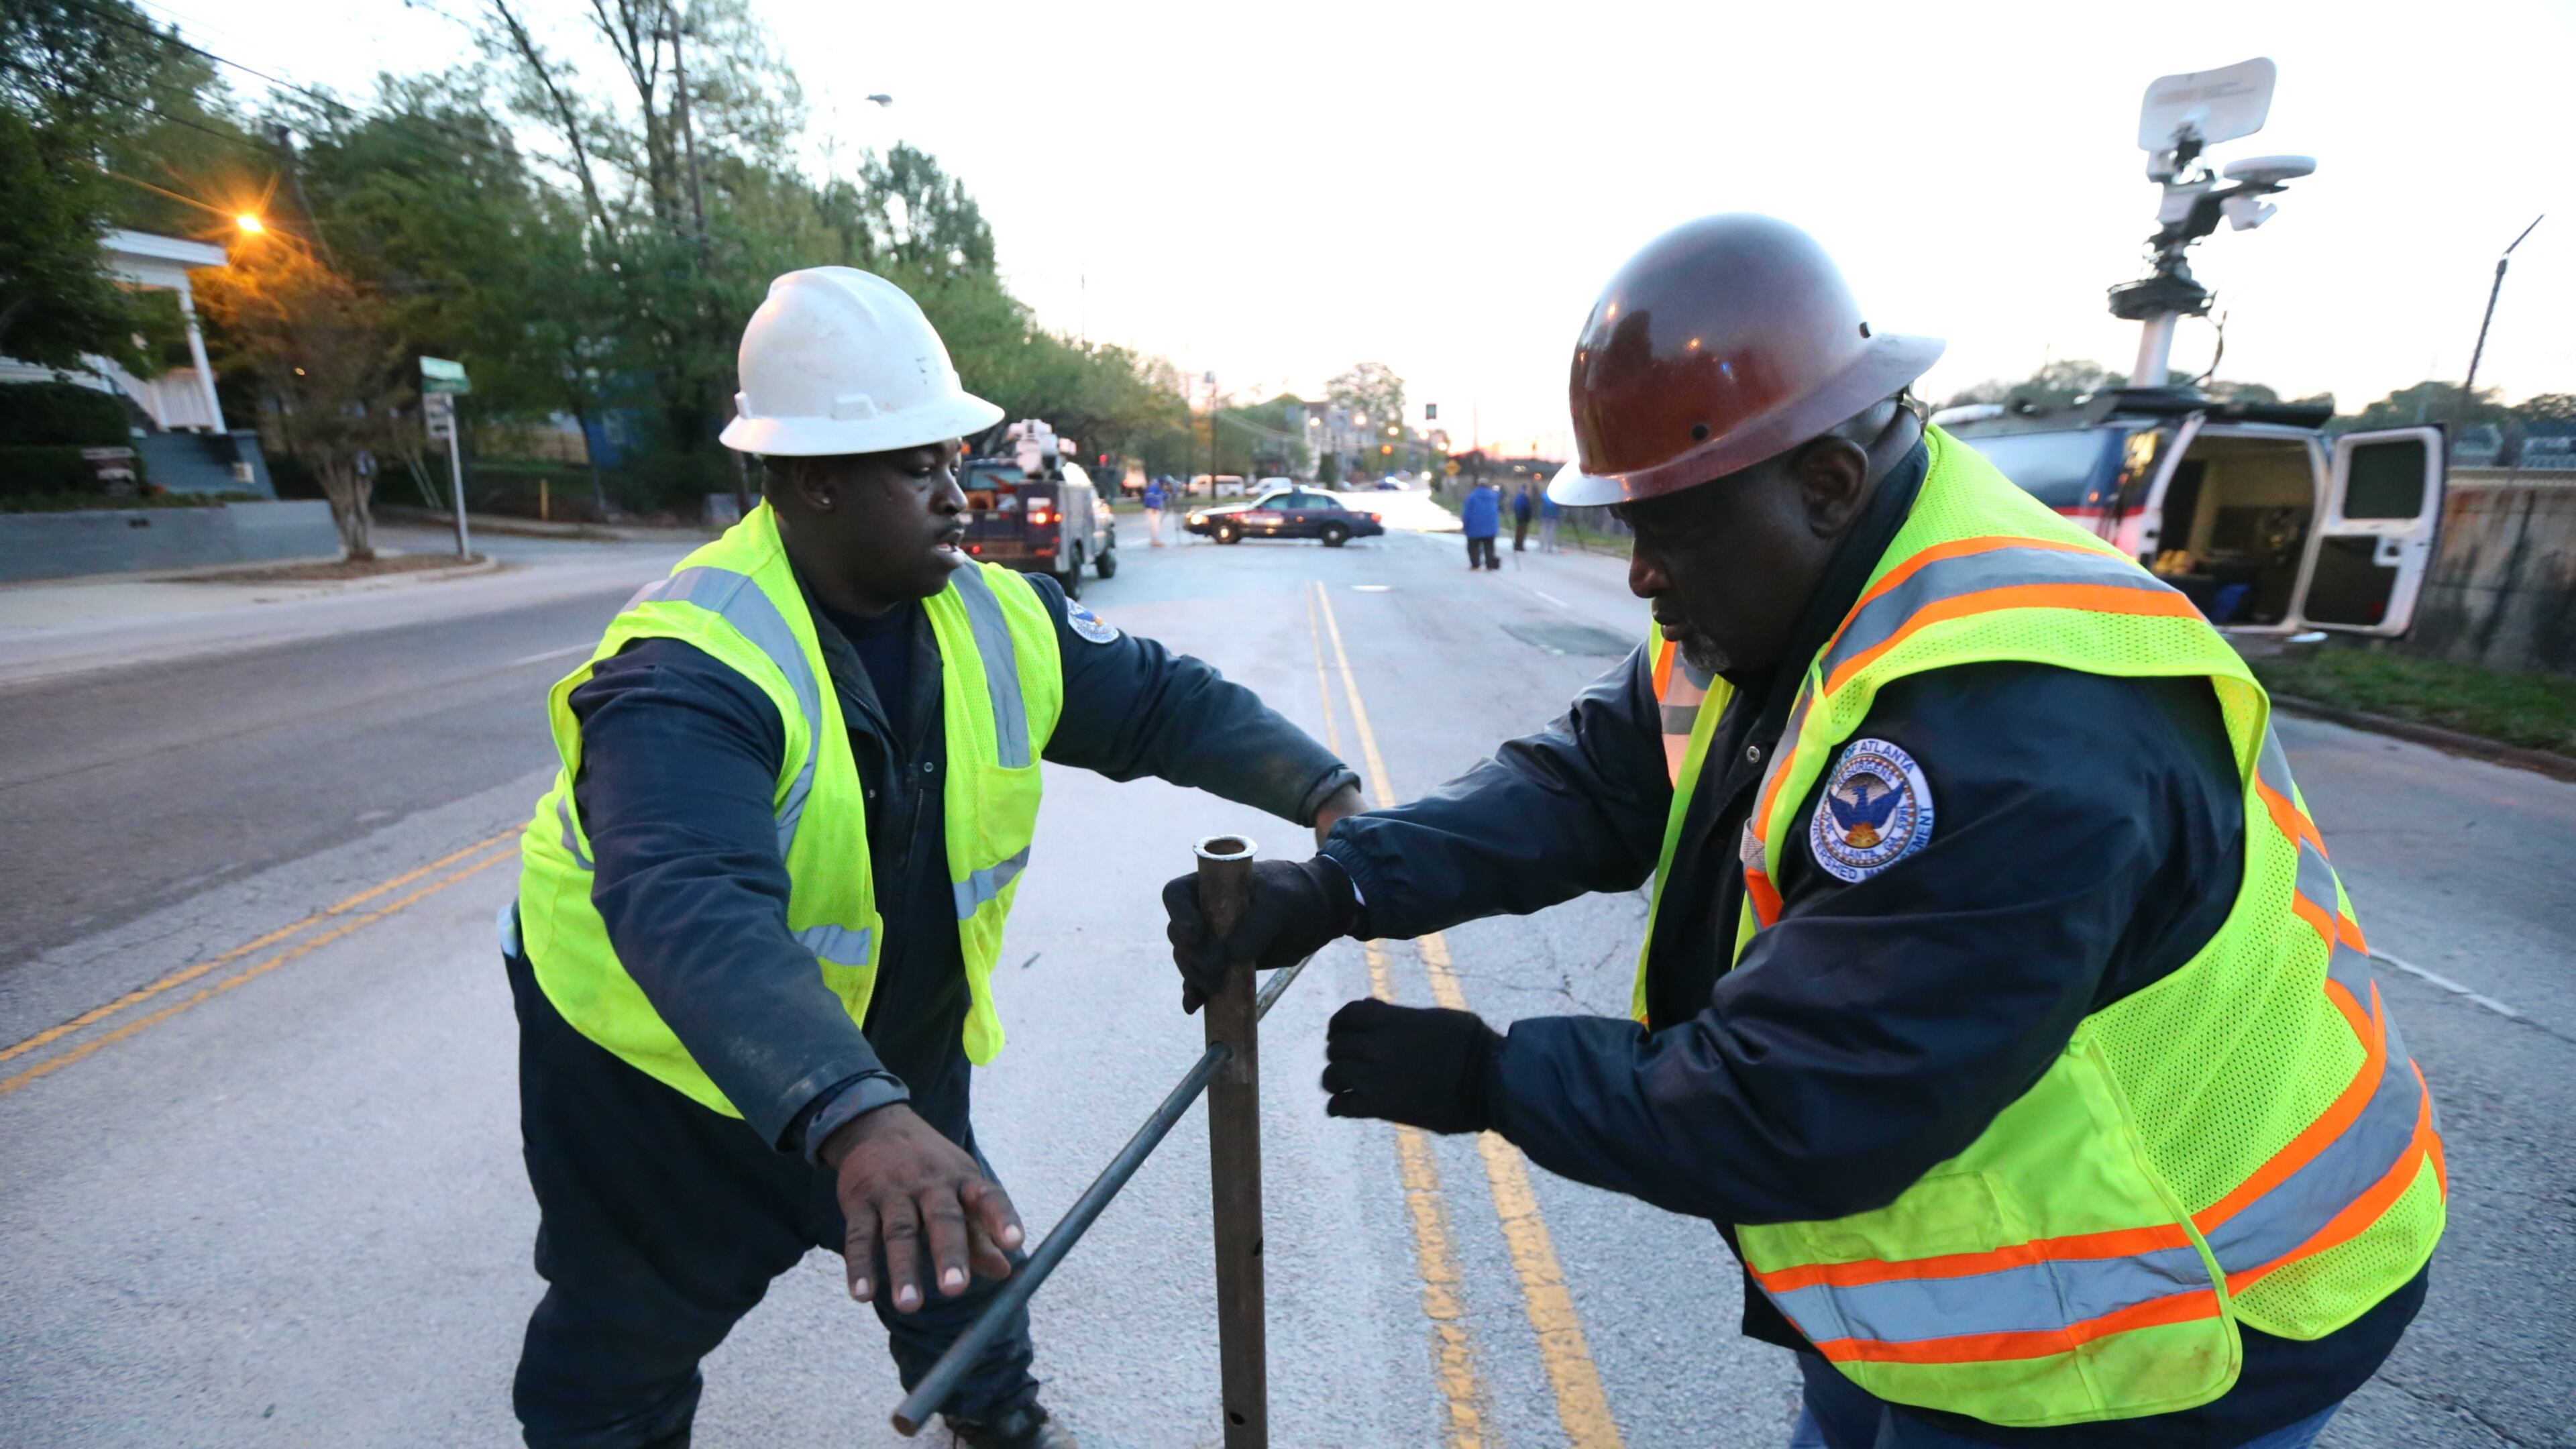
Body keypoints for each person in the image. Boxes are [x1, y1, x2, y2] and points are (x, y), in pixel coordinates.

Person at [1165, 217, 2442, 1449]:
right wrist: (1340, 887)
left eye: (1668, 534)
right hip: (1952, 1310)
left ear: (1825, 482)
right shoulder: (1799, 593)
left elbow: (1806, 1099)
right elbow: (1597, 782)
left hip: (2172, 1329)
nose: (1642, 580)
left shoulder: (2017, 729)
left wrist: (1487, 1077)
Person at [504, 266, 1364, 1449]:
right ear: (813, 482)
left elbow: (1164, 705)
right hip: (662, 1077)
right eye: (921, 471)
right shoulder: (686, 667)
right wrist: (854, 1116)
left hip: (885, 1047)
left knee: (960, 1255)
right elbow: (685, 902)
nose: (961, 497)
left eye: (955, 461)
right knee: (623, 1344)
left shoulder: (991, 613)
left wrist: (1330, 796)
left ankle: (998, 1422)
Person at [1459, 480, 1501, 570]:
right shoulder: (1493, 496)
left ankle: (1475, 565)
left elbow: (1466, 514)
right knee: (1489, 547)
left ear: (1477, 486)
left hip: (1474, 527)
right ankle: (1490, 565)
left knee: (1473, 547)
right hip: (1490, 527)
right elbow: (1499, 496)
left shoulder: (1472, 497)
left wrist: (1465, 526)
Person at [1140, 476, 1167, 547]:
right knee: (1155, 525)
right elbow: (1149, 497)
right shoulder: (1153, 488)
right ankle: (1155, 541)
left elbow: (1163, 497)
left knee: (1156, 525)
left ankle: (1154, 540)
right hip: (1152, 509)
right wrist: (1153, 507)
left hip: (1155, 509)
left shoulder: (1159, 489)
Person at [1511, 483, 1534, 551]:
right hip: (1523, 517)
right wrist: (1521, 516)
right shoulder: (1523, 497)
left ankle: (1518, 544)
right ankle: (1519, 545)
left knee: (1520, 532)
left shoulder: (1521, 497)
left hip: (1522, 517)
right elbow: (1521, 507)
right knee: (1521, 532)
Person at [1539, 488, 1561, 553]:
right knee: (1552, 533)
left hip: (1545, 516)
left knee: (1543, 532)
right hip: (1554, 517)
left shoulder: (1544, 496)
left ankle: (1542, 546)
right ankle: (1550, 547)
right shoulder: (1557, 497)